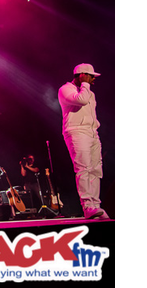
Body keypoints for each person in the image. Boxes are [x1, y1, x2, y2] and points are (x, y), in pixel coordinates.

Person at [57, 63, 110, 220]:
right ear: (81, 75)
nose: (93, 79)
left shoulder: (89, 93)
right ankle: (87, 206)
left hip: (92, 132)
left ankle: (95, 205)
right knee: (84, 168)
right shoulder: (65, 89)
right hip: (76, 131)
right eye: (90, 76)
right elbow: (80, 100)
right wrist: (85, 84)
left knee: (95, 169)